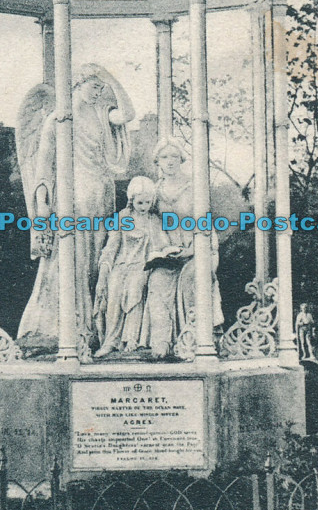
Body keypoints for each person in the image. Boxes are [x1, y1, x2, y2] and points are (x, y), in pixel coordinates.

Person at [16, 64, 134, 353]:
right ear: (78, 84)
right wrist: (42, 203)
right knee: (73, 259)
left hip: (102, 193)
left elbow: (128, 114)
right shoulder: (57, 118)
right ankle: (68, 329)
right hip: (74, 197)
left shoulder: (100, 113)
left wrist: (110, 76)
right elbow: (43, 165)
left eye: (100, 88)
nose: (98, 93)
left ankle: (97, 330)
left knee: (99, 259)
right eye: (94, 87)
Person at [139, 137, 224, 358]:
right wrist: (166, 250)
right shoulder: (154, 192)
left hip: (200, 249)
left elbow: (204, 225)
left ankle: (194, 339)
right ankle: (162, 341)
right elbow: (153, 226)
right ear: (157, 161)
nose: (169, 162)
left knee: (192, 277)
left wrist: (192, 250)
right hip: (171, 253)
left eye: (174, 157)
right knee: (157, 280)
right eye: (164, 157)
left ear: (181, 159)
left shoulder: (194, 188)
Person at [93, 176, 177, 358]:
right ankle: (110, 341)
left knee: (135, 286)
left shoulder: (154, 220)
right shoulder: (122, 218)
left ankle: (131, 339)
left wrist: (167, 252)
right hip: (121, 265)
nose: (144, 206)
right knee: (114, 288)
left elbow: (163, 244)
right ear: (131, 200)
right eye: (140, 202)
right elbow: (111, 247)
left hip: (143, 266)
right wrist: (104, 272)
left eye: (148, 202)